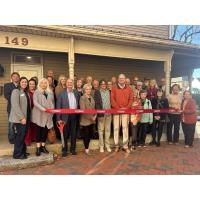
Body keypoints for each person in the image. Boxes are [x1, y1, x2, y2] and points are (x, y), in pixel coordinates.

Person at [57, 79, 80, 156]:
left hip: (74, 116)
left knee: (73, 133)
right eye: (68, 83)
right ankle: (64, 150)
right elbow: (58, 107)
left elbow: (79, 105)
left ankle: (73, 149)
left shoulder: (76, 93)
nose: (70, 84)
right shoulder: (61, 94)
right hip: (64, 116)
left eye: (71, 82)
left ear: (73, 84)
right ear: (66, 84)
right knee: (64, 134)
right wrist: (58, 118)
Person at [111, 74, 133, 153]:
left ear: (125, 79)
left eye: (123, 78)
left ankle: (125, 146)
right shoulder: (114, 88)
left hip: (125, 111)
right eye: (120, 78)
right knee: (116, 128)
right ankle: (116, 145)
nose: (121, 80)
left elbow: (131, 99)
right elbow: (112, 99)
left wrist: (126, 108)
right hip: (116, 111)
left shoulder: (129, 88)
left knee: (125, 128)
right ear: (118, 79)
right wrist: (118, 108)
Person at [32, 78, 55, 156]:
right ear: (39, 84)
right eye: (42, 83)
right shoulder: (36, 92)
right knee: (38, 131)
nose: (44, 84)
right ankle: (38, 148)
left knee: (45, 131)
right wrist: (44, 109)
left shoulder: (50, 92)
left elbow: (52, 102)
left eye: (45, 83)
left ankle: (43, 146)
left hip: (48, 115)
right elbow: (35, 103)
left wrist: (52, 110)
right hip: (39, 114)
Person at [9, 77, 31, 159]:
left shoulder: (25, 92)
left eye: (26, 82)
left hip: (27, 117)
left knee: (23, 135)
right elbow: (15, 105)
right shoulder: (16, 91)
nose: (24, 83)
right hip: (20, 119)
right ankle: (17, 154)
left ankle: (23, 151)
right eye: (23, 82)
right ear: (19, 83)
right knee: (20, 136)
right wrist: (21, 118)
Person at [94, 79, 112, 153]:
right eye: (102, 84)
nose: (103, 85)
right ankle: (101, 146)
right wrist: (100, 114)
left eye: (104, 84)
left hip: (109, 114)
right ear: (100, 85)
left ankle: (107, 145)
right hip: (101, 115)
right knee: (101, 130)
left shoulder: (109, 92)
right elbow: (97, 104)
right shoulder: (97, 92)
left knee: (107, 130)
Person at [80, 84, 97, 155]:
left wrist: (95, 115)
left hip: (92, 120)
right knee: (86, 135)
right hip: (85, 120)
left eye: (89, 89)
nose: (88, 90)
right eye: (87, 89)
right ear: (84, 90)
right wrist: (91, 117)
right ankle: (86, 149)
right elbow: (83, 109)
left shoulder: (92, 98)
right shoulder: (82, 98)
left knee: (90, 134)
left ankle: (87, 148)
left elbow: (94, 109)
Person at [4, 72, 20, 144]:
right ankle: (11, 139)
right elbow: (7, 96)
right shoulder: (7, 85)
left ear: (19, 78)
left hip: (20, 109)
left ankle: (18, 138)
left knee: (19, 125)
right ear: (11, 77)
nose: (16, 78)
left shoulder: (21, 86)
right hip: (11, 108)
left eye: (17, 76)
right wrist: (16, 101)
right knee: (11, 124)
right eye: (14, 76)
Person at [24, 78, 37, 146]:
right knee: (28, 126)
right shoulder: (26, 92)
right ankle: (28, 140)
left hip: (36, 111)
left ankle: (34, 138)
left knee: (34, 125)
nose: (32, 85)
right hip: (28, 111)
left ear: (35, 85)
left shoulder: (37, 92)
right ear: (28, 85)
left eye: (33, 84)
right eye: (30, 84)